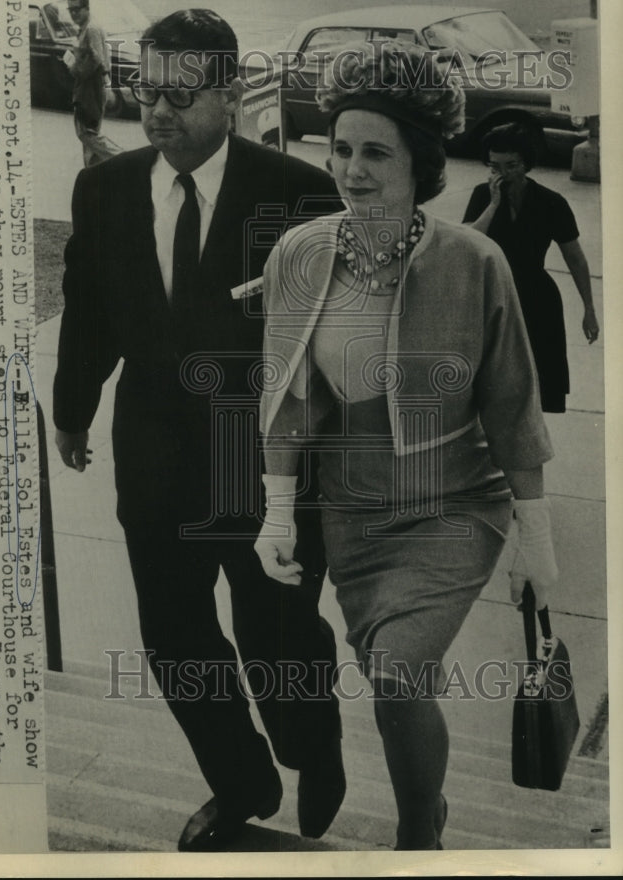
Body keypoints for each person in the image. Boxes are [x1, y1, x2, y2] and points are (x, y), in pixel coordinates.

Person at [53, 9, 346, 852]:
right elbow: (90, 307)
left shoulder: (297, 194)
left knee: (276, 629)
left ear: (228, 96)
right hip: (150, 451)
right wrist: (74, 409)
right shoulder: (105, 187)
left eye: (180, 95)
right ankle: (241, 781)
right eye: (147, 90)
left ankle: (309, 744)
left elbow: (333, 337)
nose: (157, 111)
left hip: (262, 457)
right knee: (174, 636)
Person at [254, 42, 558, 851]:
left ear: (420, 164)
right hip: (352, 511)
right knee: (387, 682)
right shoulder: (298, 253)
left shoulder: (475, 262)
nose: (350, 170)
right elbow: (284, 396)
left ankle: (418, 832)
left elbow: (512, 409)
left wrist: (537, 541)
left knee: (395, 675)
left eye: (374, 153)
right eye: (340, 148)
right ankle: (425, 810)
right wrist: (277, 515)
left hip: (454, 503)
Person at [463, 122, 600, 412]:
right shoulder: (482, 195)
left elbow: (574, 257)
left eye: (511, 165)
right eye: (495, 166)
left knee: (536, 384)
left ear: (527, 164)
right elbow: (468, 243)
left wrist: (589, 309)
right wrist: (493, 204)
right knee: (488, 382)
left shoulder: (552, 203)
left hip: (537, 298)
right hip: (491, 293)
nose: (503, 174)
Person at [66, 0, 118, 168]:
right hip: (90, 85)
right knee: (90, 133)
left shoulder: (91, 29)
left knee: (85, 132)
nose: (73, 14)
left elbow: (97, 59)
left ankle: (121, 157)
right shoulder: (86, 28)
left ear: (87, 9)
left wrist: (76, 68)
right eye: (70, 10)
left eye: (77, 10)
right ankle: (91, 173)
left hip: (91, 86)